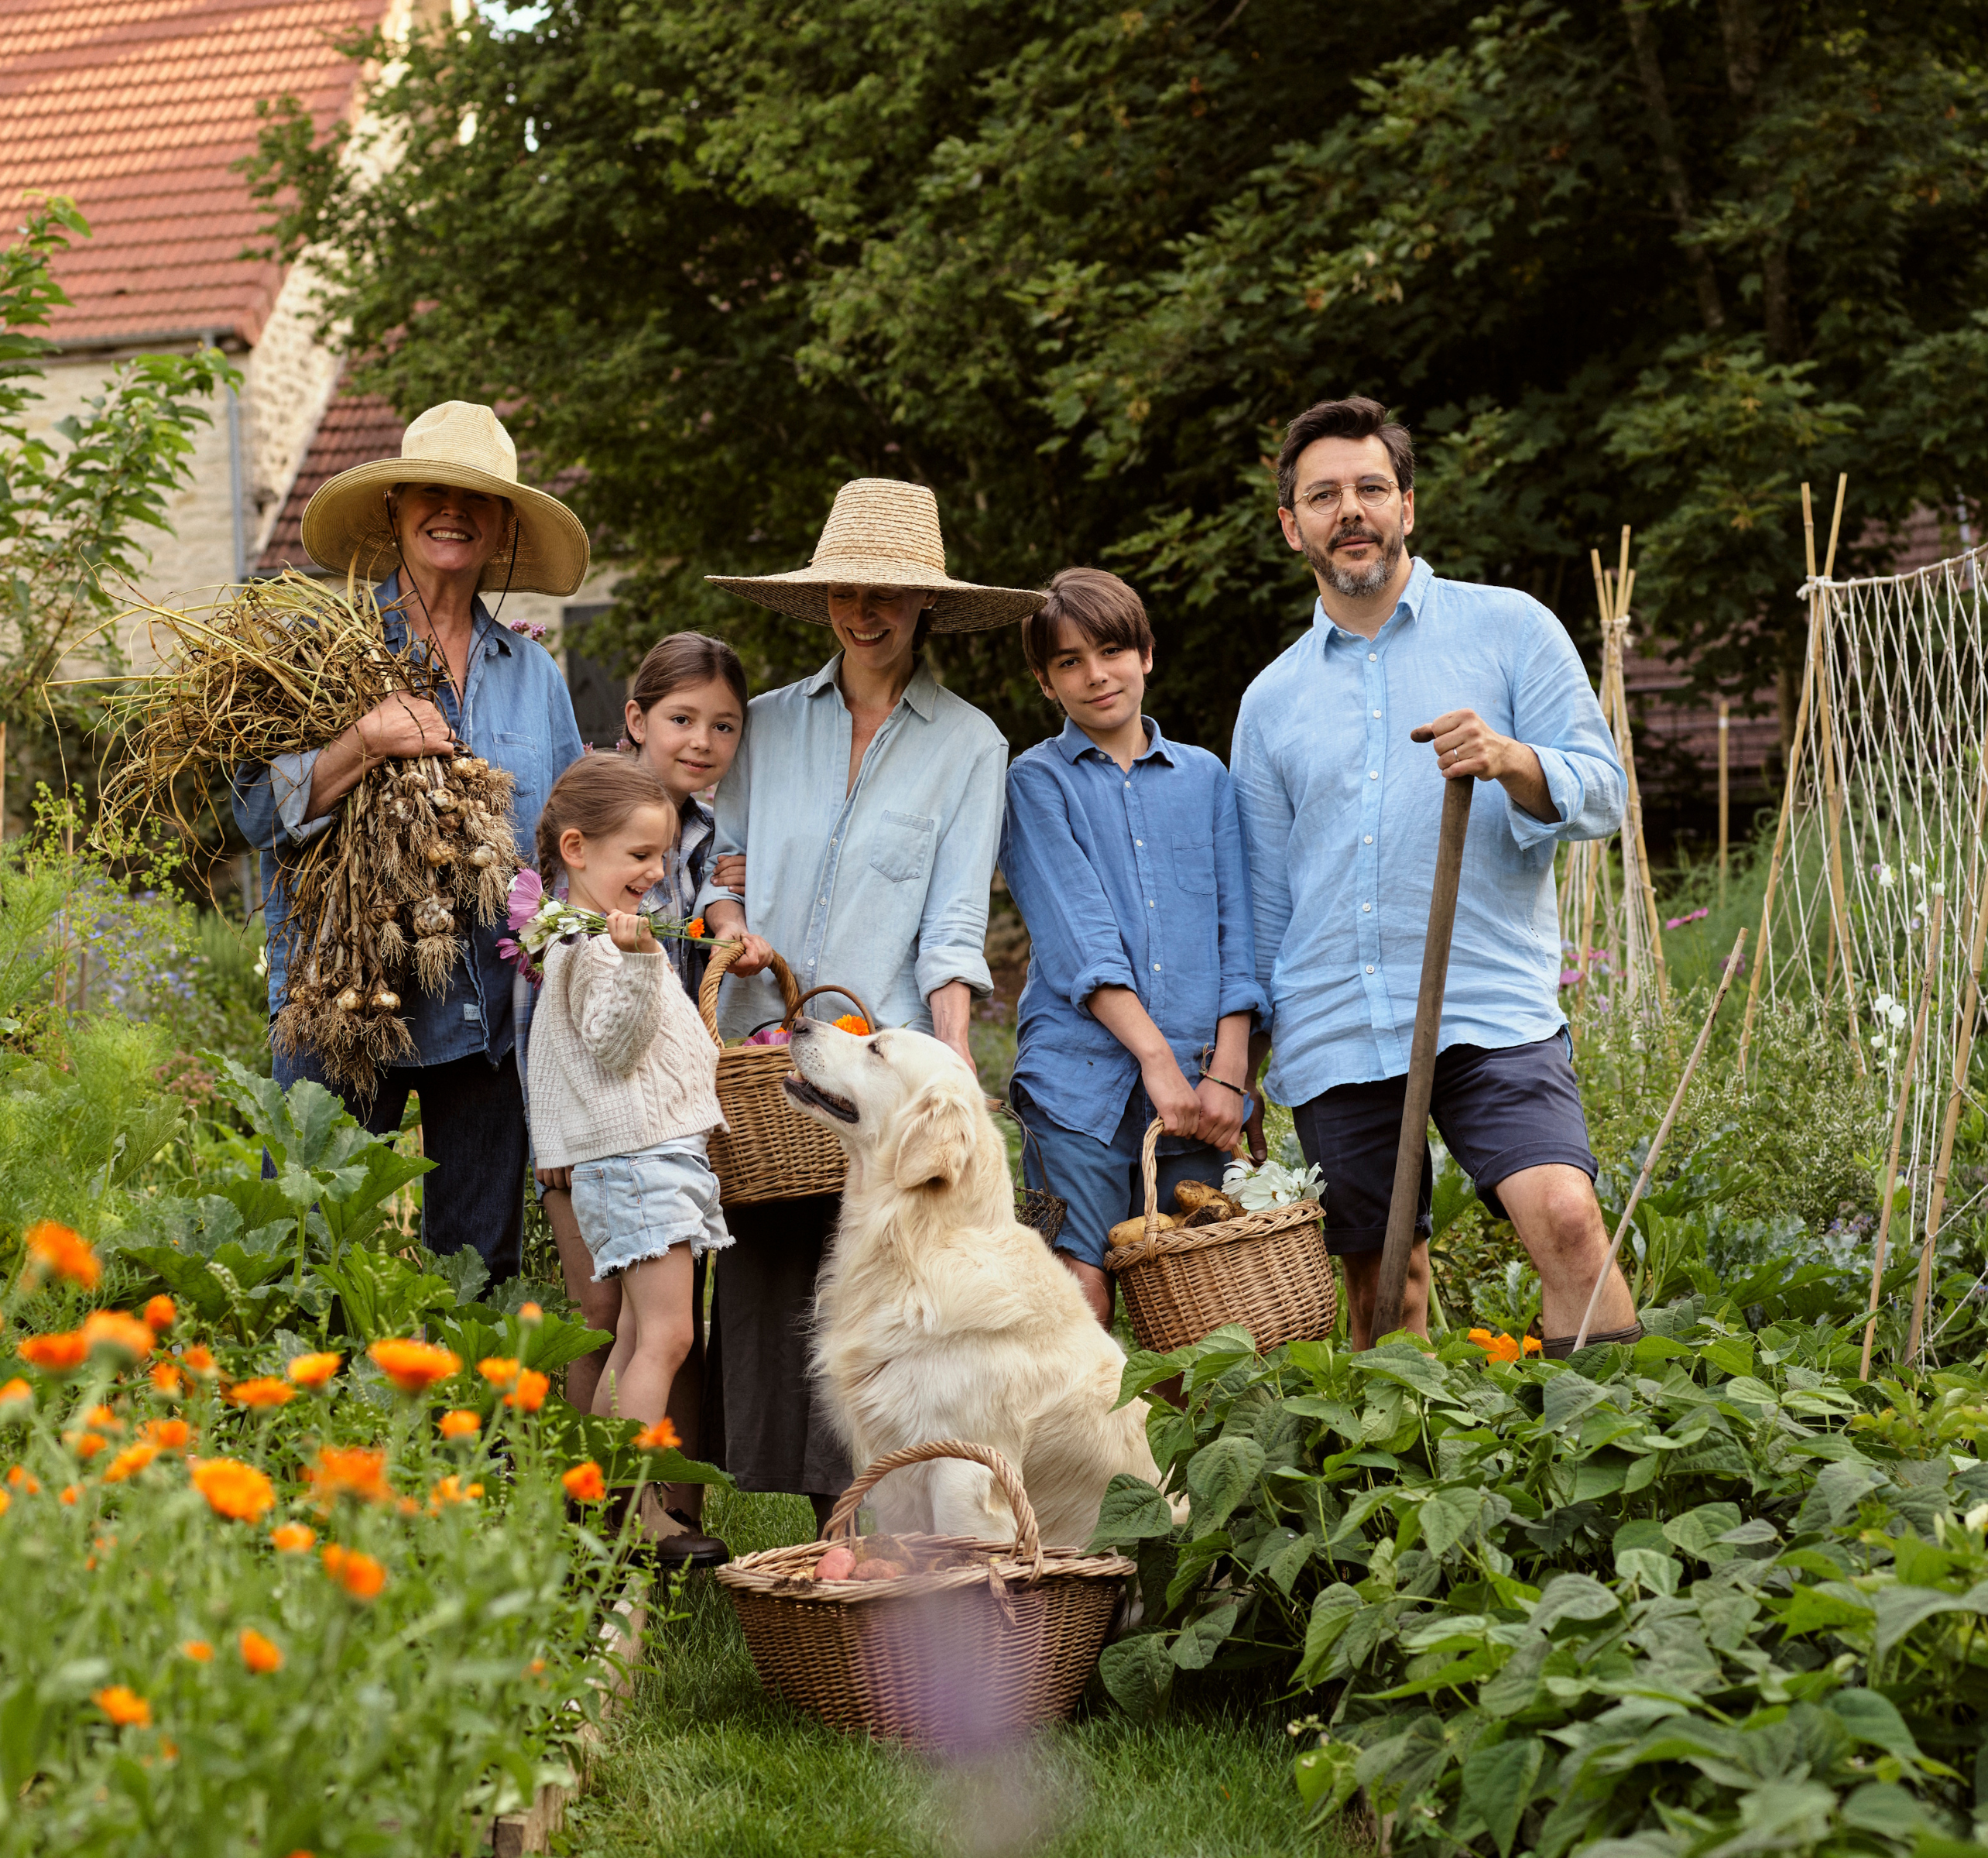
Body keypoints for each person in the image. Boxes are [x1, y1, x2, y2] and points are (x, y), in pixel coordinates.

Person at [1231, 396, 1635, 1353]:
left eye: (1371, 487)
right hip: (1336, 1019)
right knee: (1385, 1290)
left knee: (1568, 1220)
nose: (1351, 510)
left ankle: (1611, 1450)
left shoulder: (1509, 631)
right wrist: (1240, 1069)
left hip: (1486, 1001)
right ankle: (1411, 1488)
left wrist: (1511, 760)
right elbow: (1261, 902)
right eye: (1323, 495)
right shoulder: (1271, 700)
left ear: (1407, 506)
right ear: (1293, 527)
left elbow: (1605, 794)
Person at [695, 478, 1039, 1507]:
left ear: (929, 602)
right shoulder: (763, 724)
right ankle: (797, 1542)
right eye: (848, 589)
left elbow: (950, 936)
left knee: (879, 1308)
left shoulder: (971, 746)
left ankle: (871, 1535)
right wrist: (730, 932)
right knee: (767, 1300)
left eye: (889, 592)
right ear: (824, 598)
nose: (866, 610)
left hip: (881, 1079)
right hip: (766, 1067)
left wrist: (955, 1069)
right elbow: (725, 866)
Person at [231, 401, 586, 1290]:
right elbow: (251, 816)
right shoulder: (320, 650)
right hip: (343, 1002)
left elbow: (567, 841)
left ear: (503, 524)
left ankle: (458, 1429)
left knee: (477, 1272)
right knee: (307, 1256)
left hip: (487, 1021)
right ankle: (310, 1423)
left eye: (476, 498)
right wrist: (364, 742)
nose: (451, 510)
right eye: (429, 490)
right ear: (393, 507)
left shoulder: (536, 676)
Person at [533, 634, 769, 1565]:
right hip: (630, 1149)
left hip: (642, 1146)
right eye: (640, 858)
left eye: (662, 858)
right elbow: (608, 1040)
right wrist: (636, 961)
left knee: (643, 1332)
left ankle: (602, 1507)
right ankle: (627, 1512)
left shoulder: (601, 914)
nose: (653, 874)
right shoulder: (593, 938)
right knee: (656, 1334)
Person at [997, 568, 1263, 1326]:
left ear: (1145, 653)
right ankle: (1078, 1445)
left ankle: (1175, 1449)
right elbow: (1079, 939)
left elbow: (1235, 930)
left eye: (1110, 650)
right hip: (1076, 1085)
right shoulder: (1036, 782)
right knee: (1077, 1285)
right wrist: (1154, 1061)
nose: (1094, 675)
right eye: (1068, 662)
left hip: (1199, 1086)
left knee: (1194, 1298)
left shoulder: (1206, 778)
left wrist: (1228, 1075)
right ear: (1046, 683)